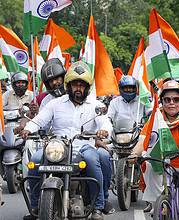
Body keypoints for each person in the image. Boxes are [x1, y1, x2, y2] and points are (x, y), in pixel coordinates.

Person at [20, 61, 113, 220]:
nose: (78, 88)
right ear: (68, 86)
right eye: (74, 85)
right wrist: (28, 128)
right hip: (57, 146)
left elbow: (105, 121)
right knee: (35, 161)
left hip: (83, 146)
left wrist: (104, 130)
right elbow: (40, 120)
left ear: (87, 87)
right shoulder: (55, 104)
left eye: (81, 85)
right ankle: (35, 206)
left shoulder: (94, 105)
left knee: (93, 159)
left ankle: (97, 206)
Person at [130, 80, 179, 220]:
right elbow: (144, 139)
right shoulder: (155, 118)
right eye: (167, 99)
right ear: (162, 101)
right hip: (165, 164)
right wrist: (133, 154)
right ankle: (158, 204)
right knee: (148, 162)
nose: (171, 103)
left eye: (175, 99)